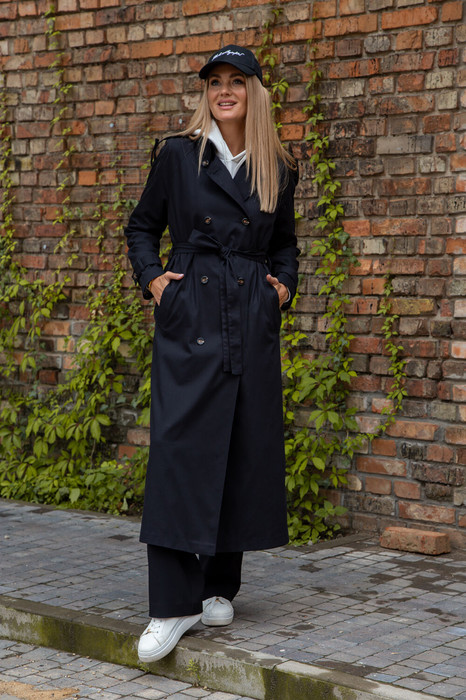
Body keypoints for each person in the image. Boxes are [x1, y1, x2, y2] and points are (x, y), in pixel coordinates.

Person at [124, 44, 299, 664]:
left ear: (255, 92)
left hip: (249, 313)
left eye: (236, 81)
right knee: (179, 448)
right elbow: (142, 227)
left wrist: (282, 288)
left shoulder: (277, 165)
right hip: (191, 311)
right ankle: (173, 604)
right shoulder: (179, 154)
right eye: (215, 81)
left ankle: (219, 585)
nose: (224, 90)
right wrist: (154, 281)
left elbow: (285, 245)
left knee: (241, 442)